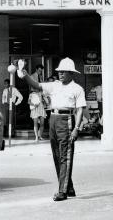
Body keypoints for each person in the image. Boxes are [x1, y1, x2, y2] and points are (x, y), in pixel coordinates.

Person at [17, 57, 90, 201]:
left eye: (64, 72)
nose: (60, 74)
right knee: (57, 156)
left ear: (71, 73)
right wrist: (24, 74)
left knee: (65, 156)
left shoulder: (77, 89)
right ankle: (68, 187)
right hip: (53, 119)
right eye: (59, 72)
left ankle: (62, 191)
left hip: (66, 119)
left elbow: (80, 110)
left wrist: (77, 128)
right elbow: (37, 85)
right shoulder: (54, 85)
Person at [29, 64, 47, 141]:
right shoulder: (32, 76)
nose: (40, 72)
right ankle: (36, 136)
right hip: (35, 98)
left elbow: (42, 87)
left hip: (40, 98)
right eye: (39, 70)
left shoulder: (41, 77)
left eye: (41, 71)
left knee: (42, 122)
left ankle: (40, 135)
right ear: (36, 69)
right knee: (35, 122)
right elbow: (32, 86)